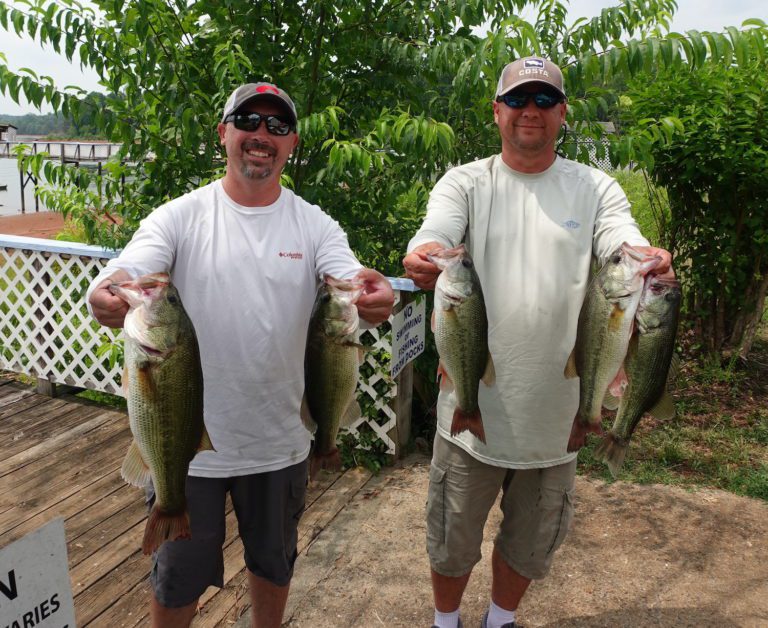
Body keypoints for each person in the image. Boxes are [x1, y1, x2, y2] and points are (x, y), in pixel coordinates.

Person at [87, 82, 394, 628]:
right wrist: (106, 292)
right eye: (248, 121)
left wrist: (376, 297)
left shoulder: (314, 224)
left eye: (277, 126)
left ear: (292, 142)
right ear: (224, 132)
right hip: (186, 448)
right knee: (176, 579)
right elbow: (130, 273)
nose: (262, 135)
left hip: (280, 442)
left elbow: (350, 281)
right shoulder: (179, 217)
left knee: (273, 567)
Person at [402, 57, 673, 628]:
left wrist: (646, 257)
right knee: (451, 536)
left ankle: (499, 620)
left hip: (560, 416)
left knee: (532, 541)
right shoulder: (466, 182)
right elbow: (437, 232)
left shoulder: (595, 186)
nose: (532, 112)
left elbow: (621, 239)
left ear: (563, 114)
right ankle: (444, 622)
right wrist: (425, 253)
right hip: (472, 412)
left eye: (545, 101)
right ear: (497, 111)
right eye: (519, 100)